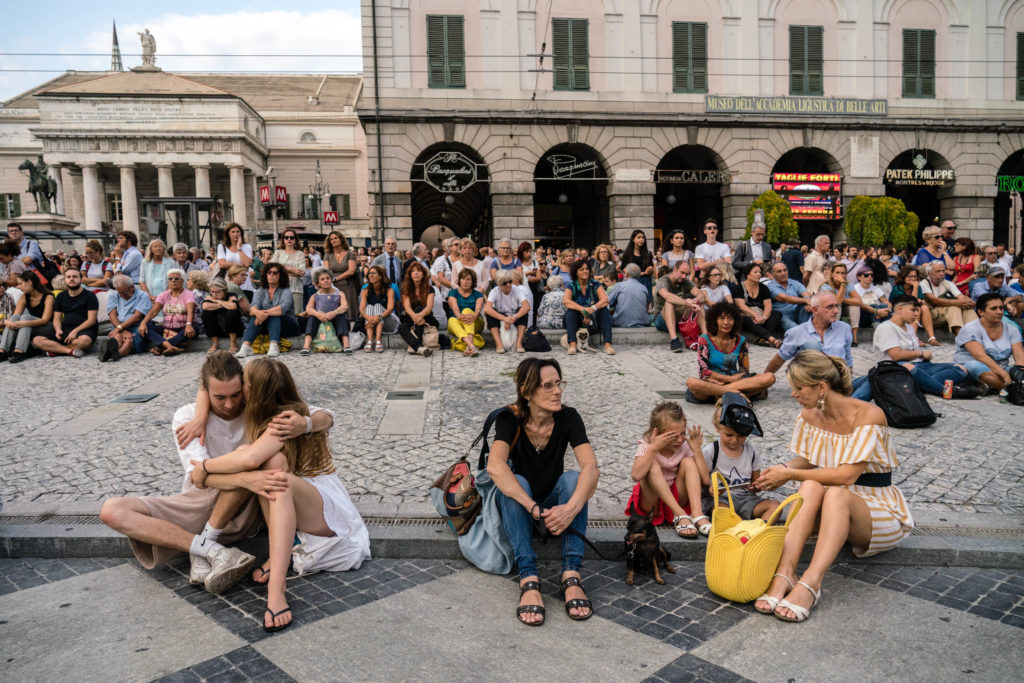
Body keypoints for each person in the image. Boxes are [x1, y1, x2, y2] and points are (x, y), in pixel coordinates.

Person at [752, 350, 914, 622]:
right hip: (831, 501)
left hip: (876, 507)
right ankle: (786, 572)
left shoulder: (869, 415)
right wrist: (779, 470)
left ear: (822, 388)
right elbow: (807, 459)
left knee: (835, 492)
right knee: (812, 487)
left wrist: (790, 474)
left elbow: (847, 476)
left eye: (799, 388)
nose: (793, 394)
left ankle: (812, 582)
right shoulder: (809, 415)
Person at [490, 358, 599, 625]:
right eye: (548, 386)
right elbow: (494, 466)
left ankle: (571, 575)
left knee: (574, 479)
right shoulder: (509, 418)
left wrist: (569, 508)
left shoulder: (568, 417)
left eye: (559, 383)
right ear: (527, 393)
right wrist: (531, 507)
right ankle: (528, 577)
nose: (557, 391)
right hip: (521, 511)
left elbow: (591, 468)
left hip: (554, 510)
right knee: (515, 481)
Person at [849, 295, 976, 400]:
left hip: (919, 367)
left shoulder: (909, 327)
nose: (916, 314)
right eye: (913, 310)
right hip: (894, 369)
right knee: (907, 367)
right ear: (899, 309)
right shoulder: (886, 327)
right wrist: (920, 353)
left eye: (918, 311)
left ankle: (920, 385)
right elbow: (896, 355)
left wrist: (921, 357)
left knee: (960, 369)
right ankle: (944, 391)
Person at [625, 401, 709, 539]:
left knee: (689, 462)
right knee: (651, 464)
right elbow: (636, 475)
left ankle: (697, 513)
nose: (680, 440)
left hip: (676, 498)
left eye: (682, 434)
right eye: (672, 436)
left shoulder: (684, 447)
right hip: (653, 502)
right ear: (656, 433)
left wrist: (696, 449)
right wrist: (654, 448)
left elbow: (705, 479)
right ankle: (680, 514)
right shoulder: (648, 446)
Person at [700, 393, 779, 522]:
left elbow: (756, 481)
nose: (735, 440)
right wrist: (710, 489)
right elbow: (701, 481)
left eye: (741, 436)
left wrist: (757, 486)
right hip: (722, 499)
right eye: (729, 435)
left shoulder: (751, 452)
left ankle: (758, 531)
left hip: (746, 498)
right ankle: (740, 526)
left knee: (775, 506)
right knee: (720, 512)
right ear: (717, 428)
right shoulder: (711, 452)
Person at [685, 301, 776, 403]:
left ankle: (723, 395)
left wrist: (735, 380)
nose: (726, 322)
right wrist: (728, 379)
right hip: (712, 384)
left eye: (730, 318)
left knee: (769, 377)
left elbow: (744, 371)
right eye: (722, 318)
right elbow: (703, 371)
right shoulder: (704, 339)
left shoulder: (741, 341)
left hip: (736, 382)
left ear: (735, 321)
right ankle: (735, 394)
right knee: (692, 382)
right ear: (714, 320)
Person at [763, 291, 853, 375]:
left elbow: (848, 360)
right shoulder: (796, 332)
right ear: (815, 310)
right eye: (830, 307)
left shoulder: (845, 328)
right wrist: (764, 381)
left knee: (866, 380)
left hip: (836, 379)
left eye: (836, 306)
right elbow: (780, 358)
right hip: (810, 381)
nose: (836, 311)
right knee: (812, 345)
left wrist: (847, 386)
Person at [953, 292, 1024, 392]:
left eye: (1001, 308)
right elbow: (980, 356)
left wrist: (1019, 374)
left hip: (1001, 369)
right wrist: (1004, 375)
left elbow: (1020, 357)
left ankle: (992, 386)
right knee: (973, 366)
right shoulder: (970, 329)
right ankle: (1012, 389)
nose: (999, 312)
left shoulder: (1012, 329)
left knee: (1015, 371)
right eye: (993, 308)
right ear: (981, 312)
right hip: (976, 368)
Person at [27, 266, 98, 358]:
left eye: (75, 277)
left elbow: (91, 320)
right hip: (65, 329)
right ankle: (70, 351)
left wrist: (75, 331)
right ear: (65, 280)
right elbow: (57, 318)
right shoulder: (61, 296)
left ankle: (56, 351)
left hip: (84, 330)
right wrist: (58, 330)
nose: (71, 279)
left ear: (81, 280)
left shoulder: (90, 296)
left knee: (85, 341)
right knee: (37, 340)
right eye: (68, 277)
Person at [235, 264, 299, 359]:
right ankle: (246, 346)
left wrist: (264, 313)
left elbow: (282, 309)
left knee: (274, 314)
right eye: (269, 273)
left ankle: (274, 345)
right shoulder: (261, 290)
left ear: (280, 276)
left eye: (275, 273)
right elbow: (252, 309)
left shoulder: (286, 290)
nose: (271, 275)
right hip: (268, 325)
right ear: (266, 275)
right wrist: (258, 313)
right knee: (256, 315)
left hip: (288, 325)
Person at [138, 268, 197, 356]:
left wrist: (188, 324)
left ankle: (160, 347)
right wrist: (143, 323)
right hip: (167, 329)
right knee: (147, 327)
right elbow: (154, 311)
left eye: (176, 278)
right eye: (170, 278)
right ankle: (169, 346)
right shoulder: (163, 295)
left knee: (193, 328)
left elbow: (190, 310)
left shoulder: (188, 294)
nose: (173, 281)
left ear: (182, 281)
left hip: (183, 327)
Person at [0, 270, 55, 363]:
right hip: (30, 326)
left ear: (29, 282)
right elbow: (15, 317)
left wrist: (24, 323)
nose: (19, 287)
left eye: (20, 284)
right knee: (16, 318)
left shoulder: (48, 296)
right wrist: (7, 322)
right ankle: (2, 351)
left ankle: (20, 351)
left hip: (48, 327)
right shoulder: (24, 297)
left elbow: (45, 320)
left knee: (25, 317)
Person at [562, 259, 614, 355]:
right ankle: (572, 345)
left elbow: (605, 300)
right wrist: (583, 310)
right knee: (571, 312)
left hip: (593, 320)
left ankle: (608, 345)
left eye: (587, 269)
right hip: (577, 320)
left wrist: (592, 309)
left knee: (604, 311)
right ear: (576, 272)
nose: (585, 271)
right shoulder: (572, 285)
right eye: (582, 269)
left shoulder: (595, 284)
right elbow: (566, 301)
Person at [654, 259, 705, 352]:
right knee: (669, 302)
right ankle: (674, 340)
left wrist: (695, 301)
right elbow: (666, 295)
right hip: (662, 320)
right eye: (682, 273)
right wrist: (686, 302)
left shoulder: (685, 281)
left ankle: (705, 339)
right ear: (675, 269)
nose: (684, 276)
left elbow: (701, 295)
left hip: (679, 319)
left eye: (686, 274)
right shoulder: (663, 280)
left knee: (699, 304)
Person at [101, 274, 153, 362]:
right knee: (118, 337)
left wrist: (120, 328)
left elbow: (137, 316)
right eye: (119, 292)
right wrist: (121, 329)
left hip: (136, 325)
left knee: (129, 340)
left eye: (124, 292)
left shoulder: (142, 295)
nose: (122, 295)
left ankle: (113, 354)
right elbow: (112, 315)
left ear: (132, 287)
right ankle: (112, 353)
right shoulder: (114, 295)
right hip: (118, 324)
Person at [300, 268, 351, 355]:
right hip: (321, 319)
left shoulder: (339, 293)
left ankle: (346, 345)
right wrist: (318, 314)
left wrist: (334, 313)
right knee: (312, 317)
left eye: (328, 278)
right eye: (322, 279)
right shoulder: (315, 296)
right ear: (318, 283)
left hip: (335, 319)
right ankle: (306, 346)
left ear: (331, 279)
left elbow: (345, 306)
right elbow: (308, 309)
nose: (326, 281)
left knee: (341, 316)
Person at [920, 262, 977, 337]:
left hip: (945, 313)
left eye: (943, 271)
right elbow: (933, 300)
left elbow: (961, 297)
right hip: (931, 315)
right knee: (954, 307)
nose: (942, 273)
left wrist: (970, 302)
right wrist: (955, 302)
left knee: (967, 308)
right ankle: (960, 336)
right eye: (938, 271)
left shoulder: (947, 283)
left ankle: (975, 333)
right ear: (929, 273)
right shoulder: (924, 283)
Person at [734, 262, 783, 347]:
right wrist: (756, 315)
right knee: (746, 320)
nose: (759, 274)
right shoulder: (739, 288)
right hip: (748, 317)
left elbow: (768, 306)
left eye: (760, 272)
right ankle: (772, 339)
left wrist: (763, 317)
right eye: (755, 272)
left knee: (777, 314)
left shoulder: (763, 288)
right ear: (747, 274)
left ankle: (759, 338)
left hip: (761, 317)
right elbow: (741, 306)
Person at [483, 269, 529, 354]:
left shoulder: (516, 290)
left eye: (510, 282)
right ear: (499, 284)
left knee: (523, 311)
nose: (508, 285)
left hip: (514, 316)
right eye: (504, 283)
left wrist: (514, 318)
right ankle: (498, 344)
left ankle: (519, 343)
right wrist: (505, 319)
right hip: (502, 317)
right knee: (490, 314)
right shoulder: (494, 291)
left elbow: (527, 306)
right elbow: (487, 308)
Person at [396, 261, 436, 357]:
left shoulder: (430, 289)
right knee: (401, 327)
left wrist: (419, 316)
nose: (416, 273)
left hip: (426, 317)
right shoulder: (406, 289)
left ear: (423, 274)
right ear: (410, 275)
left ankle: (415, 346)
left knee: (418, 309)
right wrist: (415, 317)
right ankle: (419, 347)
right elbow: (407, 307)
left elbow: (429, 307)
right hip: (411, 317)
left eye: (419, 271)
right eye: (413, 271)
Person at [891, 266, 939, 345]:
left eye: (915, 276)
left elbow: (921, 301)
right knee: (916, 307)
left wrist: (920, 300)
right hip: (898, 311)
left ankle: (931, 338)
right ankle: (913, 337)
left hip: (912, 311)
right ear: (903, 277)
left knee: (924, 307)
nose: (913, 279)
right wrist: (915, 288)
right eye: (910, 276)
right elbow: (910, 302)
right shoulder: (897, 288)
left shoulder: (918, 287)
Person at [358, 265, 399, 353]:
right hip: (373, 323)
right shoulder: (365, 290)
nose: (370, 275)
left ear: (380, 276)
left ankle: (378, 340)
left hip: (390, 324)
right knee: (369, 307)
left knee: (377, 306)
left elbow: (390, 308)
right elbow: (361, 308)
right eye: (369, 274)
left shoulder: (389, 290)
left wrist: (379, 317)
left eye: (373, 273)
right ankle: (370, 340)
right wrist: (368, 317)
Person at [446, 268, 485, 356]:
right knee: (452, 319)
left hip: (475, 322)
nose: (465, 282)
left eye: (468, 279)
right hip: (457, 323)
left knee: (467, 310)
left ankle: (468, 346)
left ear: (472, 282)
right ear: (459, 280)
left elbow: (477, 312)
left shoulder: (478, 294)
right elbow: (454, 307)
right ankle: (472, 345)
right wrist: (459, 316)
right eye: (463, 279)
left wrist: (474, 316)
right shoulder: (453, 293)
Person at [848, 269, 892, 346]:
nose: (869, 277)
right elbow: (860, 304)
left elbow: (884, 300)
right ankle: (881, 334)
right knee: (874, 306)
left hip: (876, 314)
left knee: (884, 306)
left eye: (871, 275)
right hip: (863, 315)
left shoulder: (876, 288)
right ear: (859, 277)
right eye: (866, 275)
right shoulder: (854, 289)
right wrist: (876, 311)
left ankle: (883, 331)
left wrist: (888, 308)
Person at [323, 231, 360, 322]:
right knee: (333, 312)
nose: (333, 240)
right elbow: (326, 271)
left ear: (341, 239)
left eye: (336, 238)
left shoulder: (350, 254)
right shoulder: (327, 255)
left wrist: (335, 278)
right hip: (332, 287)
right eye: (331, 239)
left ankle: (351, 332)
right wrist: (330, 280)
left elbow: (351, 271)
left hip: (348, 286)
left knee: (350, 313)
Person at [766, 261, 811, 331]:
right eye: (779, 271)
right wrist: (806, 300)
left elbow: (806, 294)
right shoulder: (771, 286)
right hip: (784, 314)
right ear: (773, 274)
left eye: (785, 270)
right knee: (795, 329)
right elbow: (785, 299)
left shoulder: (794, 282)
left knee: (809, 309)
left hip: (798, 311)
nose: (783, 273)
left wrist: (809, 302)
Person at [202, 278, 243, 354]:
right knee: (206, 313)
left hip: (233, 328)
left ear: (224, 291)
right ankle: (214, 342)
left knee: (231, 312)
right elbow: (205, 306)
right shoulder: (210, 296)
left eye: (217, 292)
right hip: (217, 328)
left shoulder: (231, 295)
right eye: (212, 292)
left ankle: (233, 342)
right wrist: (224, 304)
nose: (214, 295)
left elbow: (233, 306)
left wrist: (217, 301)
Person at [271, 229, 307, 314]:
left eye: (292, 237)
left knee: (297, 314)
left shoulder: (300, 254)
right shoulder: (278, 252)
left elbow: (301, 273)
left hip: (296, 288)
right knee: (279, 313)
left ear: (295, 240)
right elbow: (272, 267)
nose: (289, 239)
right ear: (283, 240)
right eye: (286, 237)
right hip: (279, 287)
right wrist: (292, 270)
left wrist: (280, 271)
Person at [216, 223, 254, 299]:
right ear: (228, 234)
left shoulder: (247, 247)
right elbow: (222, 264)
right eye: (233, 232)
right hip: (228, 282)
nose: (235, 234)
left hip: (245, 283)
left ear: (241, 233)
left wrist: (239, 248)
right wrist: (241, 265)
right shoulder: (222, 247)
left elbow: (247, 263)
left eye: (238, 232)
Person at [608, 263, 650, 328]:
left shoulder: (619, 286)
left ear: (626, 274)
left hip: (621, 322)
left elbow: (608, 302)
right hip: (642, 322)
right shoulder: (644, 288)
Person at [620, 230, 656, 305]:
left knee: (646, 304)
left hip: (646, 281)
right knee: (634, 304)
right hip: (633, 281)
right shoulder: (627, 253)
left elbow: (651, 267)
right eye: (639, 237)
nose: (641, 239)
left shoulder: (648, 253)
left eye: (643, 237)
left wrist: (650, 269)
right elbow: (624, 269)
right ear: (633, 239)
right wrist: (642, 273)